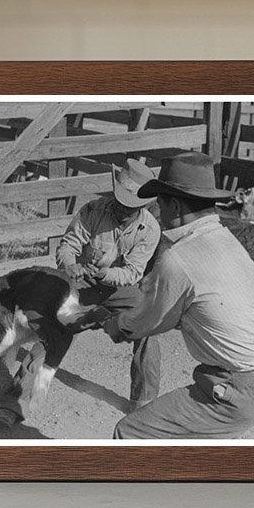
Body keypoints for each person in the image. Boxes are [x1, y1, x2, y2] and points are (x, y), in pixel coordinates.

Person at [102, 152, 254, 440]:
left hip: (233, 391)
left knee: (130, 431)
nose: (159, 214)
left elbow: (148, 321)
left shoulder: (177, 258)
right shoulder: (228, 240)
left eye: (160, 204)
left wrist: (114, 325)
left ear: (174, 205)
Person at [54, 158, 163, 406]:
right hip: (80, 284)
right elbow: (68, 245)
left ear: (142, 205)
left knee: (148, 324)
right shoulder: (93, 210)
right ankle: (15, 401)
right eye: (121, 202)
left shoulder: (149, 229)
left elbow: (133, 273)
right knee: (52, 326)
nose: (123, 210)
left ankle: (143, 402)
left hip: (118, 289)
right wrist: (71, 266)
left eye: (131, 207)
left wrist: (105, 274)